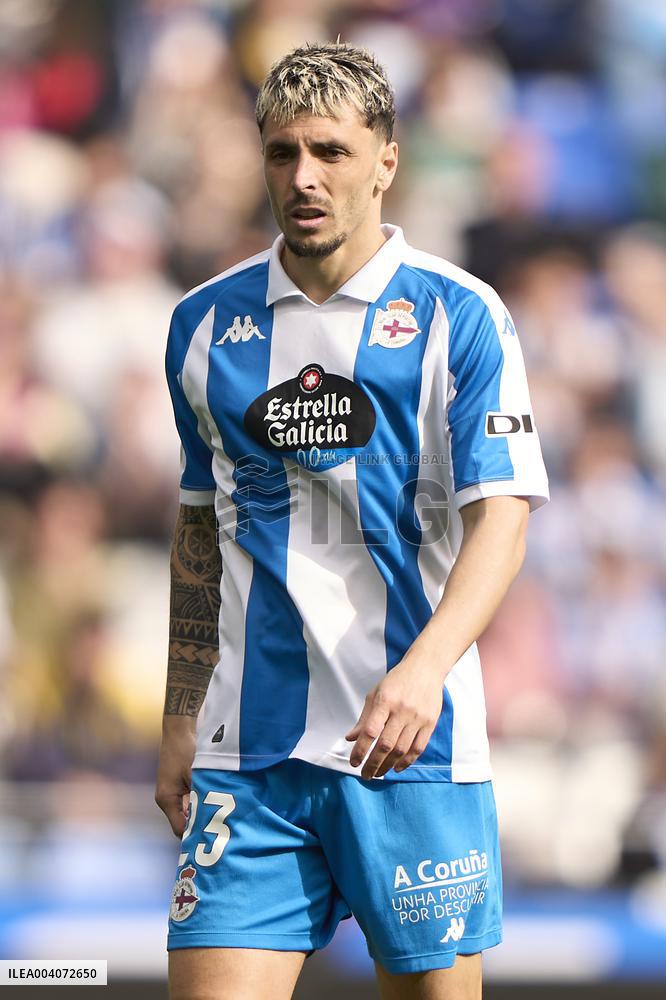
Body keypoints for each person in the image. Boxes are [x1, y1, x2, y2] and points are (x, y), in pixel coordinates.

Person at [155, 41, 549, 1000]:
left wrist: (423, 672)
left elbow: (503, 522)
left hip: (412, 750)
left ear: (385, 162)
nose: (304, 177)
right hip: (250, 758)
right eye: (282, 152)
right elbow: (201, 531)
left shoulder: (459, 315)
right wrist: (178, 716)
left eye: (330, 151)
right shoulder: (204, 326)